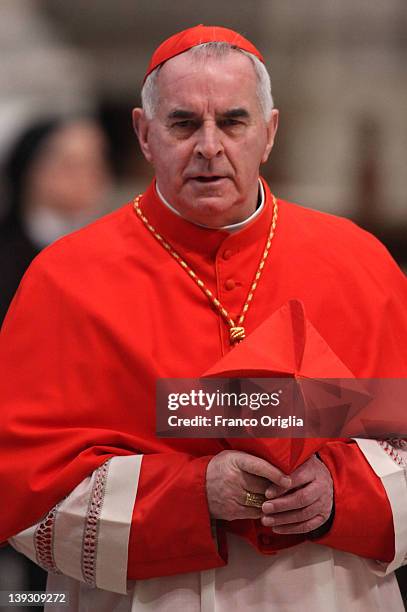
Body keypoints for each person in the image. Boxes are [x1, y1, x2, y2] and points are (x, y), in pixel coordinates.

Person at [0, 25, 406, 612]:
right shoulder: (64, 279)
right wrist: (192, 493)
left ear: (268, 134)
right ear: (144, 133)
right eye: (184, 123)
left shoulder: (359, 262)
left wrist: (344, 491)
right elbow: (19, 485)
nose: (209, 146)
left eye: (233, 122)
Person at [0, 117, 112, 323]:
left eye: (96, 163)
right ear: (32, 171)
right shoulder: (7, 256)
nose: (90, 176)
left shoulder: (114, 249)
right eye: (72, 165)